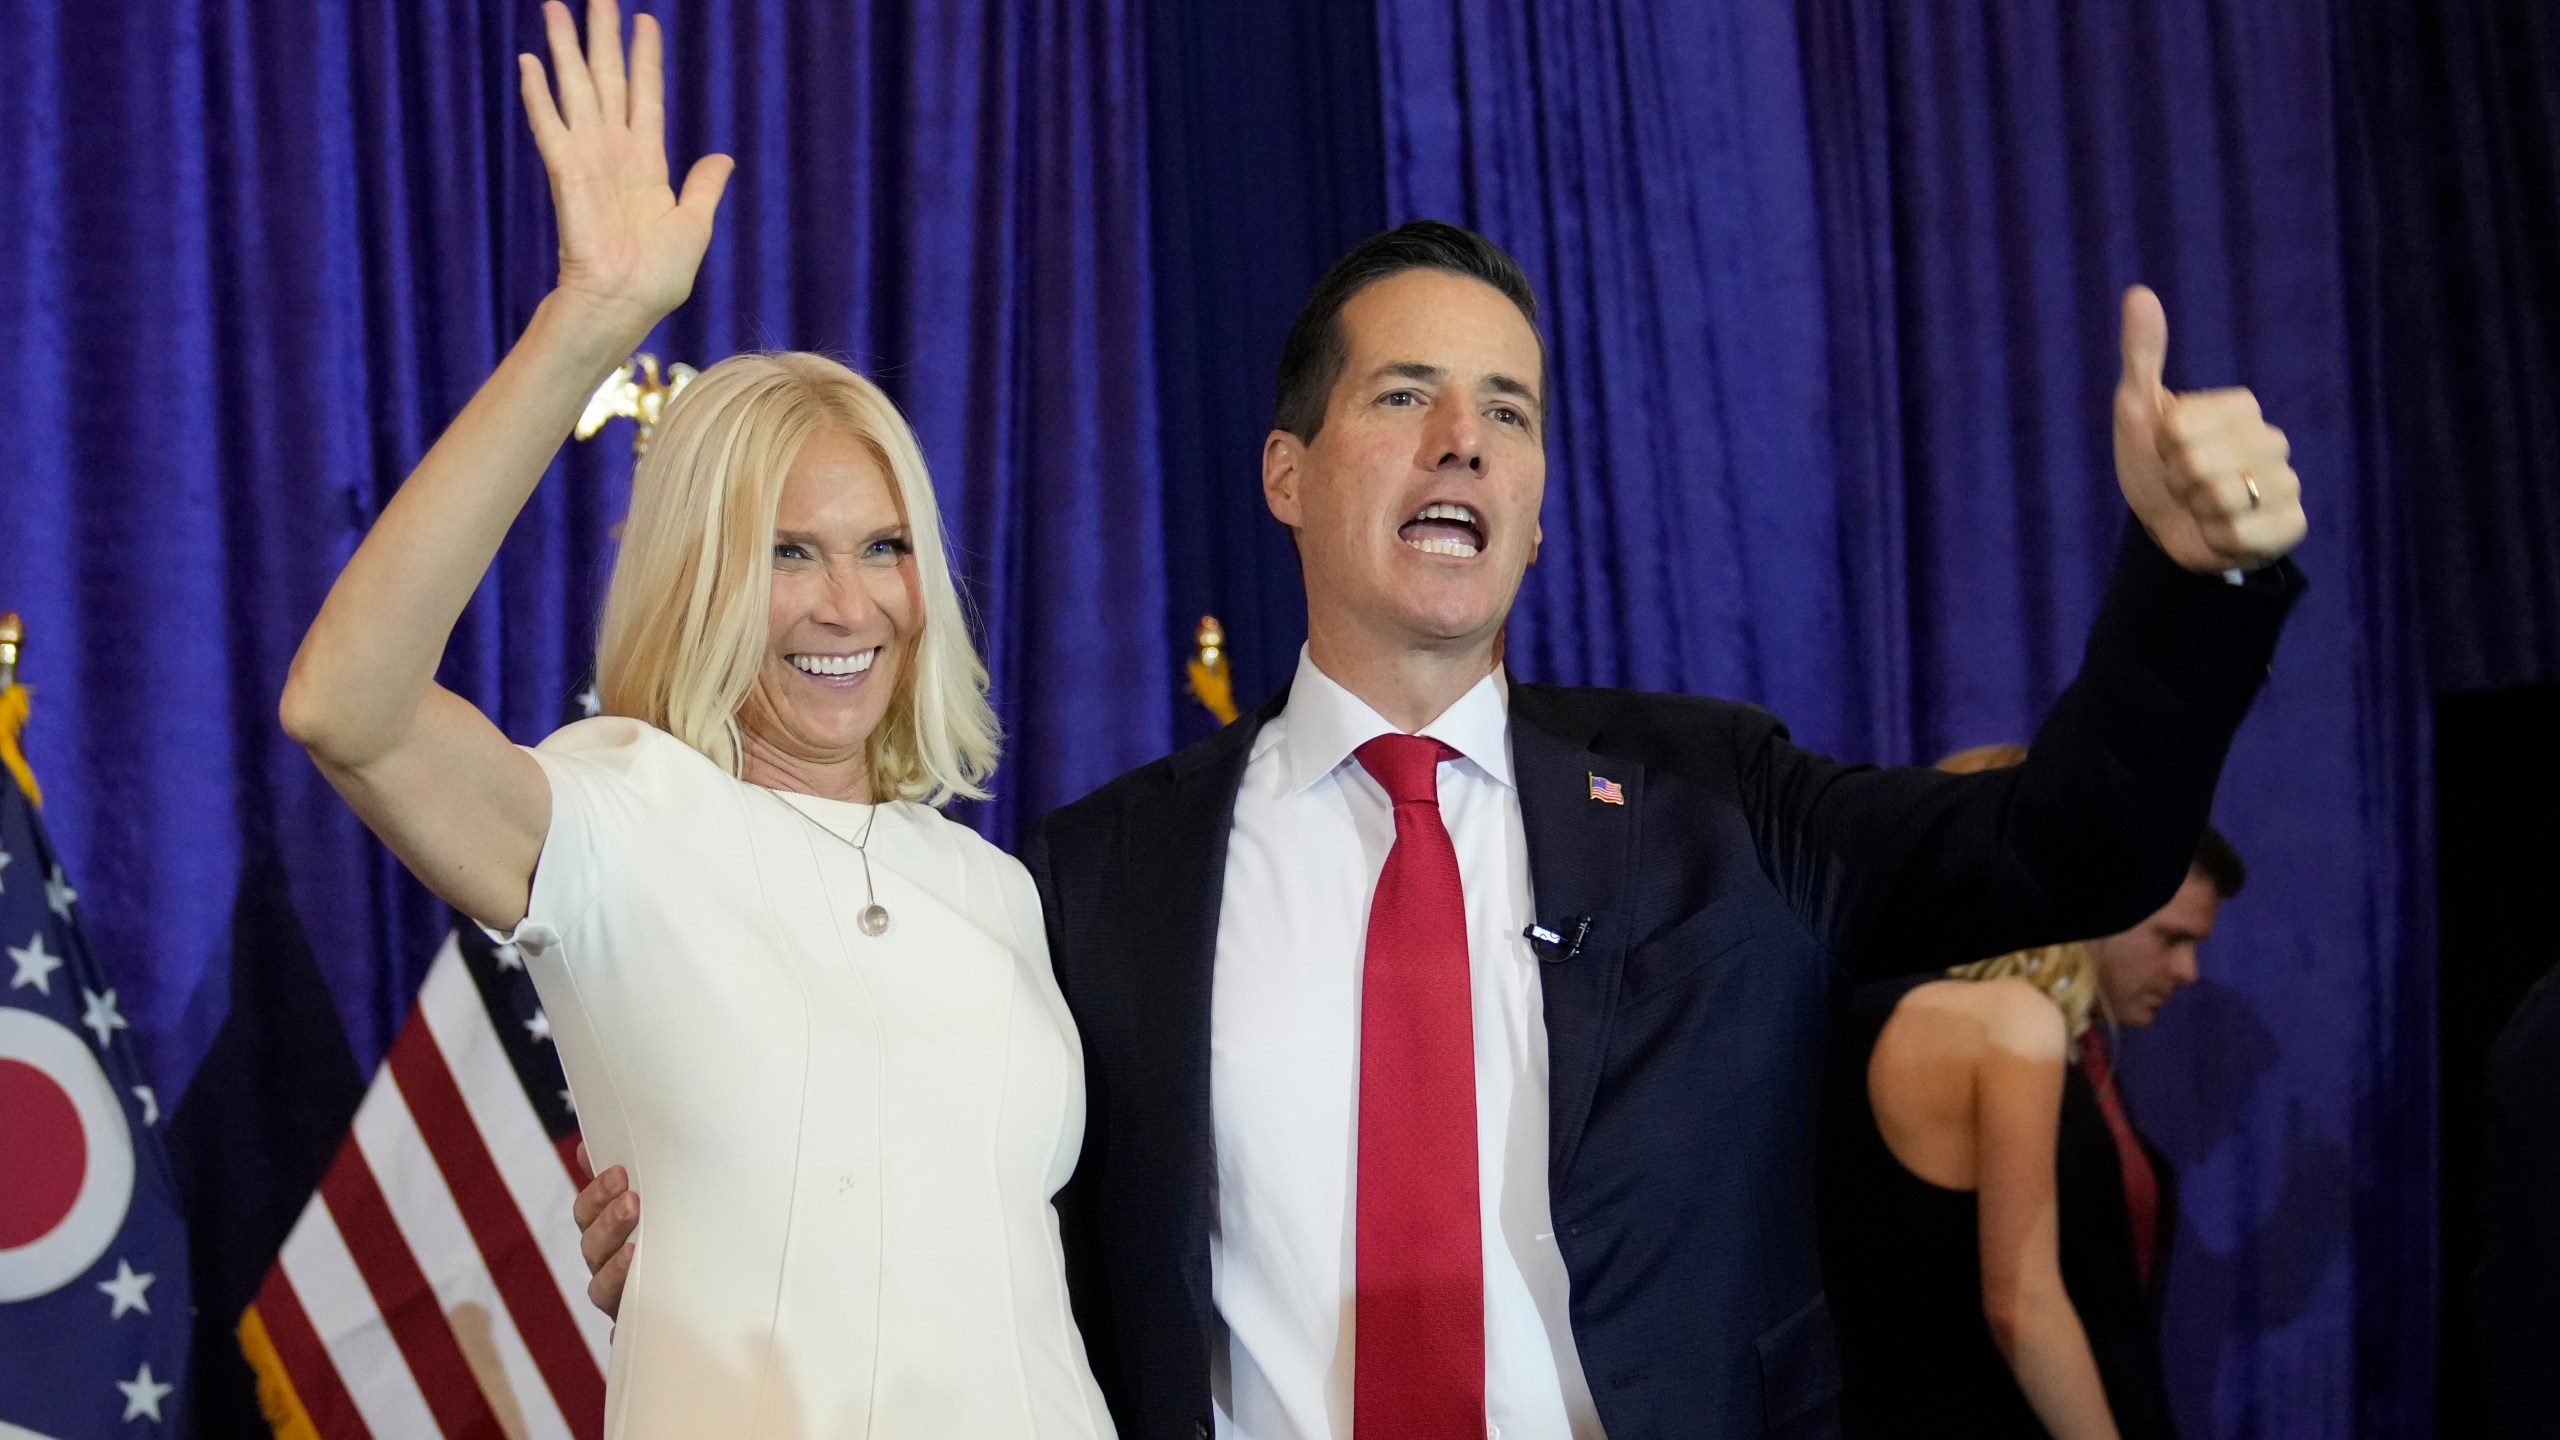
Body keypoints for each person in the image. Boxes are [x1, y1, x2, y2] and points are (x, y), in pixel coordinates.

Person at [580, 220, 2307, 1439]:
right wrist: (712, 1204)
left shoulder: (1726, 808)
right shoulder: (1096, 880)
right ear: (1288, 473)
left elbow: (2068, 852)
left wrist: (2189, 581)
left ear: (1540, 513)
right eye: (1405, 395)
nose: (1464, 440)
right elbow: (954, 1166)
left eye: (1510, 412)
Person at [278, 3, 1115, 1436]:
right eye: (787, 554)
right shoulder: (623, 811)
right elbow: (345, 709)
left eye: (883, 547)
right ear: (701, 579)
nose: (847, 606)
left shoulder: (995, 890)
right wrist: (587, 322)